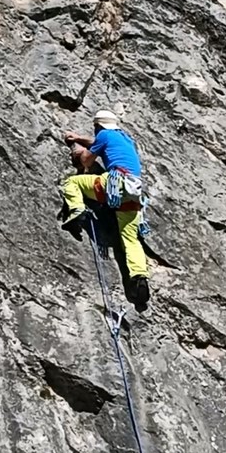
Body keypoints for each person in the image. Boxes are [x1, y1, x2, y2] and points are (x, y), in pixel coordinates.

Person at [60, 110, 150, 308]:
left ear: (98, 126)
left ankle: (77, 211)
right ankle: (139, 277)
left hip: (114, 183)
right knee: (130, 238)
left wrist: (78, 151)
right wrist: (79, 138)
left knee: (71, 183)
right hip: (133, 190)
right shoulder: (124, 138)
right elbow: (97, 143)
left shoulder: (104, 135)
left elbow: (86, 161)